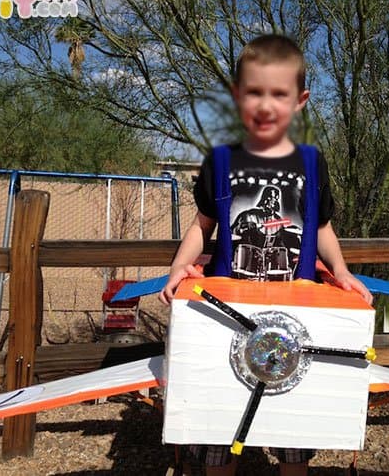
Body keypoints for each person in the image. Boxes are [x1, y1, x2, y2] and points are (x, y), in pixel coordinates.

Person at [159, 34, 373, 476]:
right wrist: (181, 265)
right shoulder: (219, 161)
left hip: (296, 321)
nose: (266, 104)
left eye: (279, 94)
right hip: (225, 319)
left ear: (300, 101)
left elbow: (322, 226)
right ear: (238, 96)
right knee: (219, 439)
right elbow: (203, 226)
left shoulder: (312, 164)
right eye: (255, 92)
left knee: (292, 440)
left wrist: (341, 270)